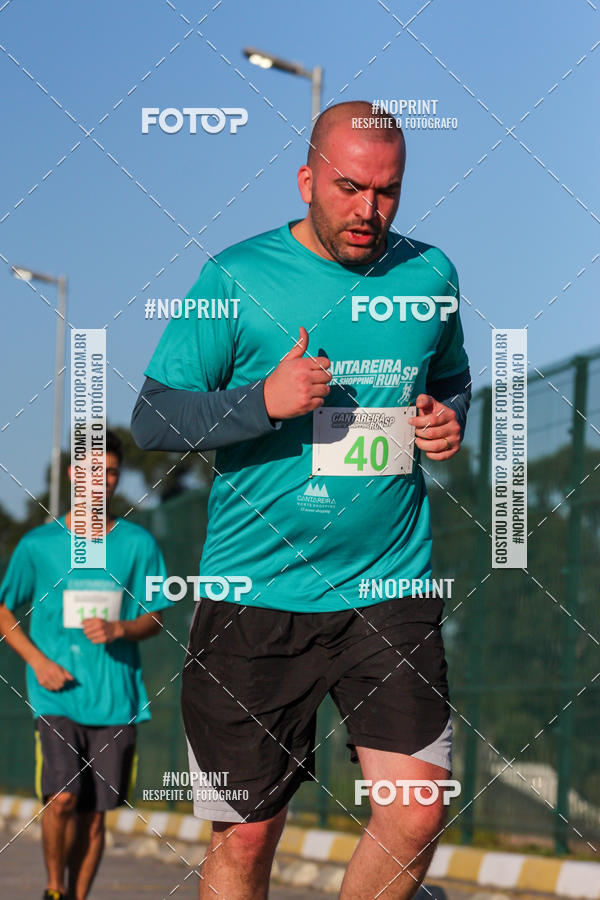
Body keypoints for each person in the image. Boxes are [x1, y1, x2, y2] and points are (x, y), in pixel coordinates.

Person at [131, 100, 471, 899]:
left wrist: (447, 416)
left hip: (387, 583)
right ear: (306, 179)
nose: (369, 210)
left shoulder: (431, 275)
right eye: (350, 188)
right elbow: (152, 416)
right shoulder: (236, 278)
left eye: (387, 191)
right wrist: (263, 401)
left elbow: (452, 378)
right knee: (247, 835)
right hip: (256, 594)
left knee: (417, 811)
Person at [0, 430, 171, 900]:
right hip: (55, 695)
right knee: (62, 799)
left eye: (111, 472)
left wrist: (121, 628)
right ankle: (54, 889)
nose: (103, 480)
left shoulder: (138, 544)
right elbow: (4, 609)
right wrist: (37, 661)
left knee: (94, 816)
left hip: (116, 700)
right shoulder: (38, 545)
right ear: (74, 475)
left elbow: (156, 615)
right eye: (94, 471)